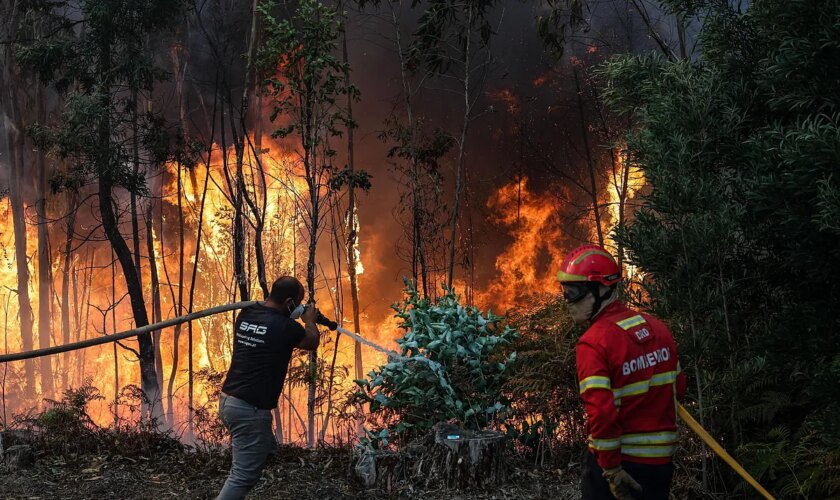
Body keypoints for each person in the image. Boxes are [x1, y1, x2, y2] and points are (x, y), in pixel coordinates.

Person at [557, 245, 686, 500]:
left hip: (619, 465)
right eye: (564, 291)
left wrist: (612, 470)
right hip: (660, 467)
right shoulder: (658, 328)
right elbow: (678, 388)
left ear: (603, 289)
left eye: (573, 292)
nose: (567, 301)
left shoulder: (593, 343)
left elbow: (602, 415)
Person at [217, 276, 320, 500]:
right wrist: (309, 319)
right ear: (290, 302)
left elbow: (268, 318)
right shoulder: (285, 327)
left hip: (228, 400)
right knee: (242, 477)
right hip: (249, 411)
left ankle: (261, 450)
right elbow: (311, 341)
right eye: (298, 303)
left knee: (265, 448)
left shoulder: (246, 313)